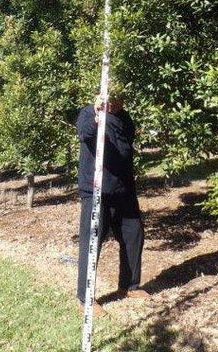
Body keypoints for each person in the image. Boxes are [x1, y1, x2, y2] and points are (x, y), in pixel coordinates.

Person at [76, 91, 148, 314]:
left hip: (123, 189)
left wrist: (114, 115)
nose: (116, 102)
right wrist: (98, 114)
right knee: (92, 242)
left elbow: (127, 143)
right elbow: (84, 133)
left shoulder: (125, 117)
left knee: (134, 235)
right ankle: (85, 298)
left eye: (119, 99)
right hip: (96, 190)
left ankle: (129, 286)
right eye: (111, 98)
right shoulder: (88, 112)